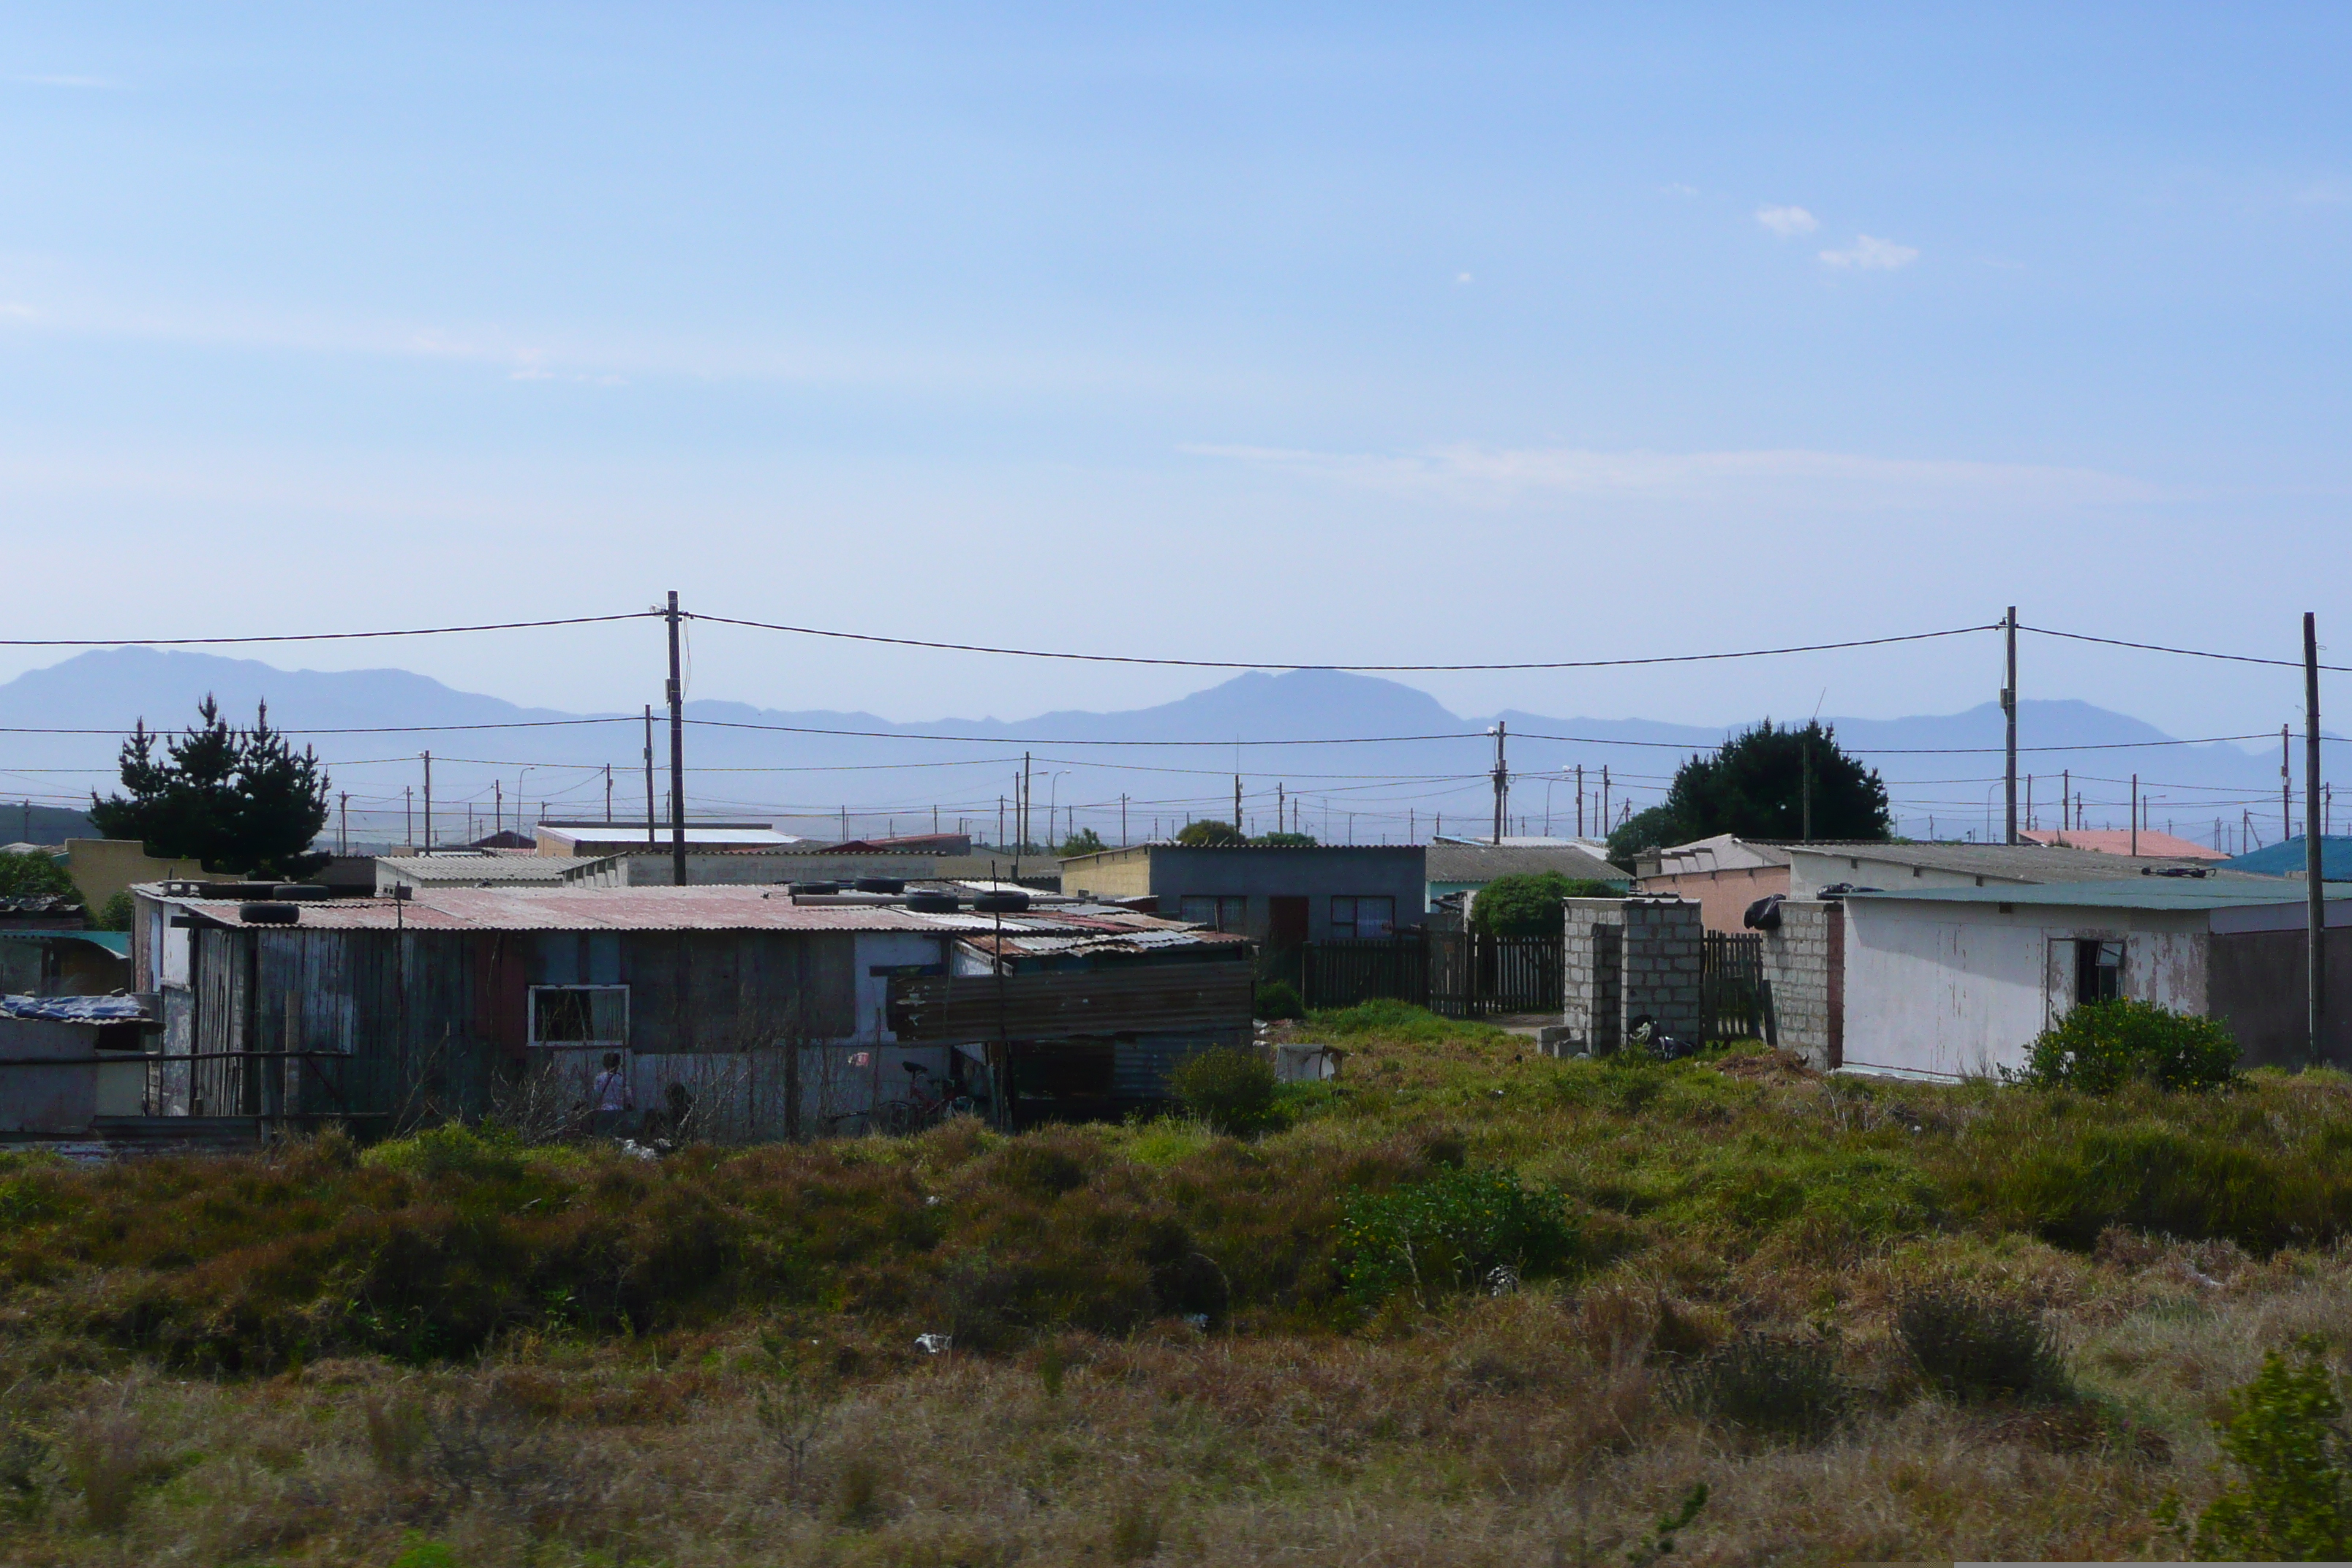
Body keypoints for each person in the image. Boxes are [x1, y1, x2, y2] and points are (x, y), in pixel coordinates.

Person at [592, 1051, 633, 1137]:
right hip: (618, 1111)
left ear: (604, 1064)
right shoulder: (621, 1079)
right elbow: (628, 1095)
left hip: (603, 1110)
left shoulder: (599, 1078)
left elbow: (596, 1095)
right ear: (618, 1064)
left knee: (603, 1137)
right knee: (618, 1136)